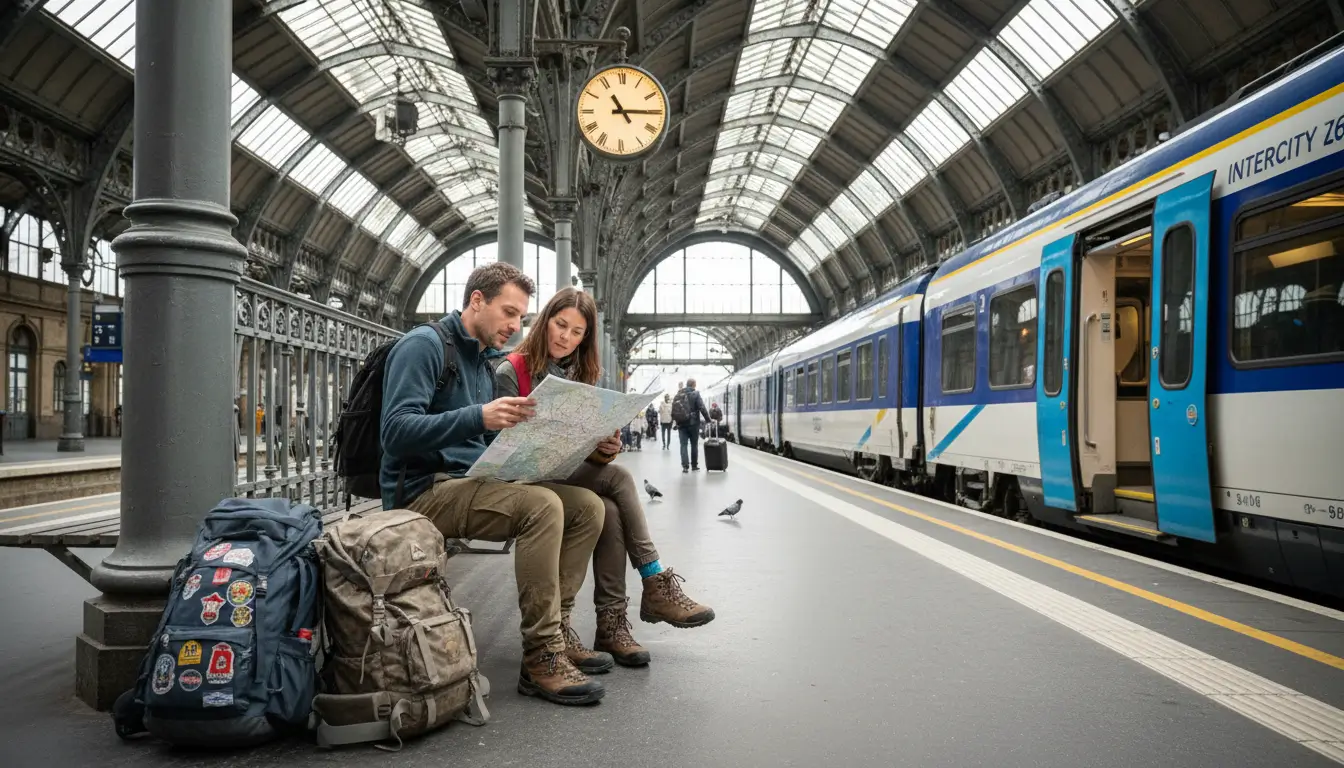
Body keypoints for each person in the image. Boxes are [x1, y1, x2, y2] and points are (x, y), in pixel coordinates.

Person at [380, 262, 608, 706]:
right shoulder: (424, 346)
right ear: (476, 301)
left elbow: (488, 441)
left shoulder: (483, 363)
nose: (515, 325)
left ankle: (557, 630)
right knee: (542, 506)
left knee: (586, 507)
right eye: (508, 313)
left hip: (472, 481)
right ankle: (541, 655)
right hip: (425, 490)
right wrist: (479, 416)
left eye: (521, 317)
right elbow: (395, 431)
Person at [496, 287, 715, 668]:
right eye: (560, 324)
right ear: (545, 321)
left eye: (577, 332)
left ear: (585, 338)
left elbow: (580, 447)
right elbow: (501, 447)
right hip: (521, 480)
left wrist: (602, 446)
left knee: (611, 507)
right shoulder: (510, 371)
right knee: (618, 480)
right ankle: (652, 582)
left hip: (561, 471)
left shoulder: (579, 374)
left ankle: (611, 627)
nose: (565, 336)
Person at [672, 379, 711, 472]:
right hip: (693, 424)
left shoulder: (678, 395)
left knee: (683, 445)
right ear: (694, 385)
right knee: (694, 445)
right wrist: (708, 420)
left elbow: (674, 411)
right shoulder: (696, 394)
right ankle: (694, 465)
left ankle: (685, 466)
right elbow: (702, 407)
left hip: (681, 424)